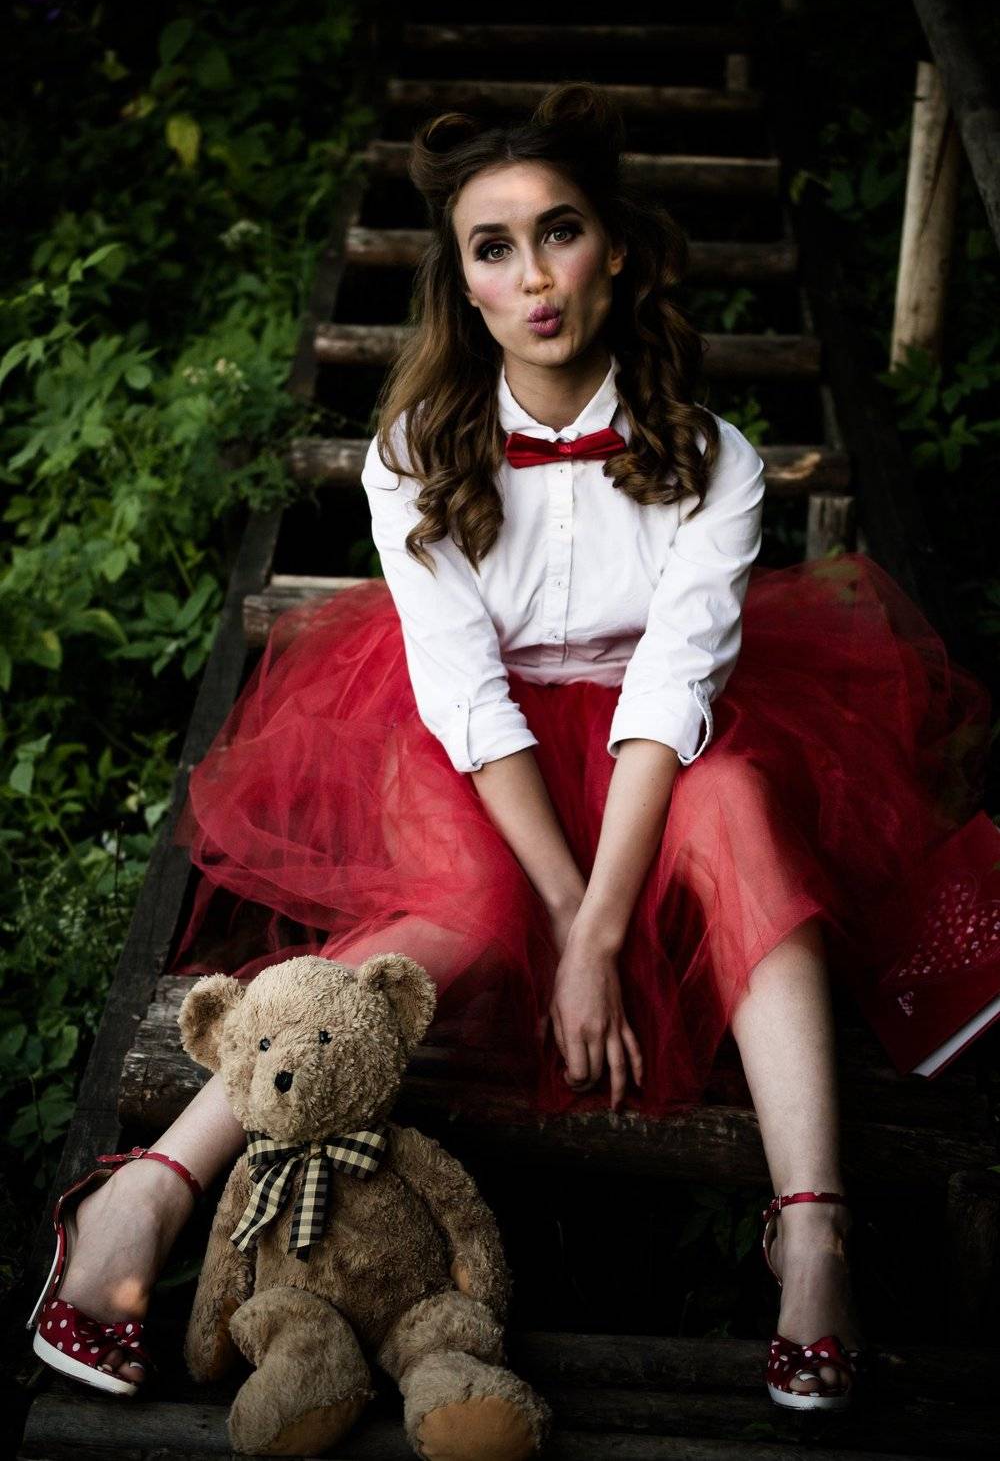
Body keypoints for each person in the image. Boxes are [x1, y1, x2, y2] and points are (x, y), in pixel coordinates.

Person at [30, 83, 998, 1412]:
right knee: (468, 903)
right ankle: (143, 1191)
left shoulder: (710, 457)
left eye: (560, 232)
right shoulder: (412, 456)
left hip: (655, 749)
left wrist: (601, 934)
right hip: (474, 752)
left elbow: (669, 690)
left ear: (617, 250)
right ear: (464, 283)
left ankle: (813, 1232)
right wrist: (562, 911)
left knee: (739, 806)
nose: (534, 276)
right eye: (495, 247)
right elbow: (468, 696)